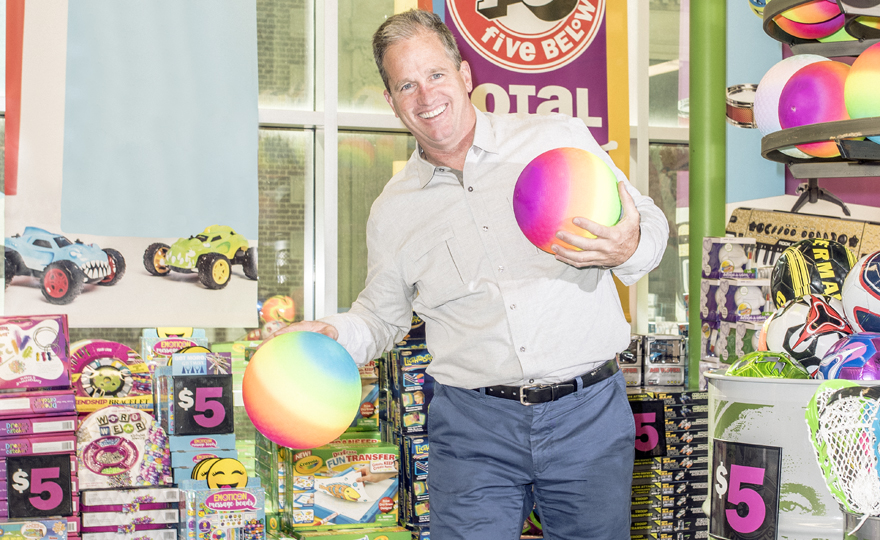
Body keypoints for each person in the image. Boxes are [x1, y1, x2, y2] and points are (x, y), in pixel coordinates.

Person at [272, 9, 668, 539]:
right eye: (406, 85)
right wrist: (333, 335)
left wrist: (629, 243)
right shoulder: (394, 210)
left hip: (587, 416)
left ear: (464, 76)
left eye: (435, 75)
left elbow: (650, 225)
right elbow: (380, 318)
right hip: (474, 428)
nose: (426, 95)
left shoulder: (557, 139)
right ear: (391, 103)